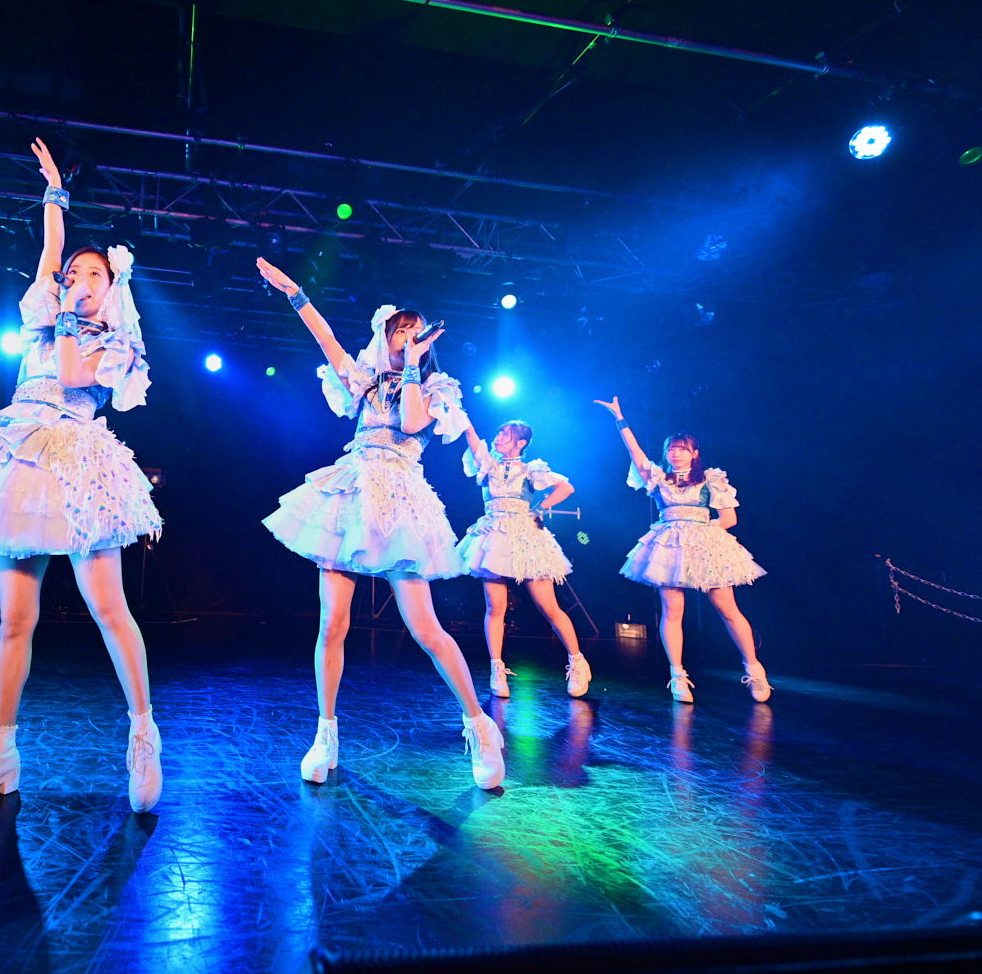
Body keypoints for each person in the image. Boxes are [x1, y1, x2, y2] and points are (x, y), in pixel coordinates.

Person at [0, 139, 164, 814]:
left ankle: (143, 734)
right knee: (14, 620)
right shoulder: (39, 324)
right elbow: (49, 250)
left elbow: (71, 375)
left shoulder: (114, 344)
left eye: (95, 274)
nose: (79, 278)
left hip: (78, 459)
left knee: (108, 609)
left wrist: (67, 317)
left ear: (111, 290)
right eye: (75, 273)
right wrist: (55, 191)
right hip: (21, 456)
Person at [257, 257, 505, 790]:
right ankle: (325, 734)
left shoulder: (436, 387)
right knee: (332, 624)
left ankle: (480, 725)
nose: (408, 337)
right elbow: (326, 340)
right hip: (351, 492)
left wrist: (413, 366)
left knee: (425, 629)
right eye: (400, 330)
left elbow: (412, 422)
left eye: (417, 332)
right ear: (385, 335)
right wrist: (296, 292)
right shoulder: (364, 380)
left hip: (399, 498)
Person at [593, 396, 771, 703]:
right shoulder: (658, 478)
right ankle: (677, 676)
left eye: (682, 449)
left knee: (727, 609)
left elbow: (729, 518)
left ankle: (754, 669)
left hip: (705, 544)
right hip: (669, 545)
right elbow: (635, 453)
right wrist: (620, 419)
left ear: (694, 453)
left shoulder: (710, 480)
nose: (675, 454)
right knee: (672, 610)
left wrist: (703, 535)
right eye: (671, 449)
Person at [457, 419, 591, 698]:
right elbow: (470, 433)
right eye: (499, 432)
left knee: (548, 607)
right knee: (495, 606)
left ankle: (578, 661)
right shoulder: (487, 463)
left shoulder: (531, 469)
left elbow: (566, 488)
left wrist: (539, 508)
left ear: (521, 443)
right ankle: (497, 669)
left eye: (506, 434)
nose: (499, 437)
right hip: (493, 534)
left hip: (525, 536)